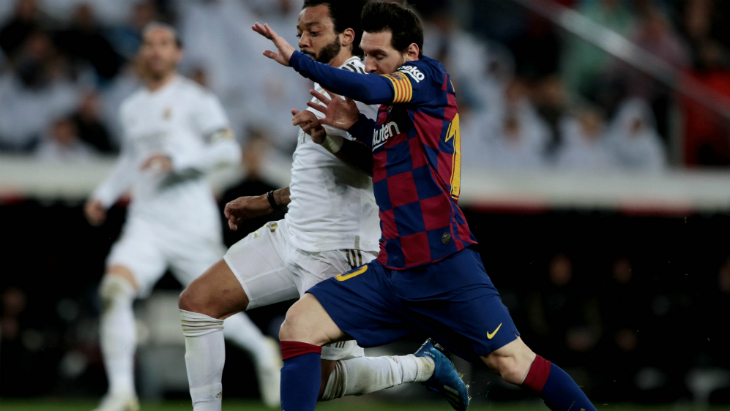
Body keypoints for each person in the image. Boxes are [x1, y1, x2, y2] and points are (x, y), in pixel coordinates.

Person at [252, 1, 598, 410]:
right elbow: (389, 161)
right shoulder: (393, 112)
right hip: (393, 271)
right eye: (365, 54)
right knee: (299, 325)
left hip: (443, 265)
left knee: (513, 363)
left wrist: (299, 61)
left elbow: (370, 89)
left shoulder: (427, 76)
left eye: (379, 55)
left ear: (411, 53)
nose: (369, 65)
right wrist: (356, 127)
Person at [178, 2, 468, 411]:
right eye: (300, 32)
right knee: (198, 305)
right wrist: (269, 201)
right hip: (292, 235)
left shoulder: (371, 85)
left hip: (339, 248)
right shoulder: (326, 85)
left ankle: (423, 366)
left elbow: (385, 166)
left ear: (347, 36)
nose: (303, 41)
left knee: (320, 382)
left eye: (313, 31)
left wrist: (329, 138)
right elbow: (320, 174)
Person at [84, 23, 281, 411]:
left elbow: (227, 151)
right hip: (145, 223)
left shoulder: (196, 100)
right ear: (142, 54)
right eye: (148, 44)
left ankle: (262, 351)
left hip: (191, 224)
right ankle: (121, 393)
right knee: (114, 291)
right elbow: (131, 160)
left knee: (212, 307)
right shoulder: (131, 107)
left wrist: (177, 161)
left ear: (178, 54)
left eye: (164, 44)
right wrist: (103, 195)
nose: (155, 50)